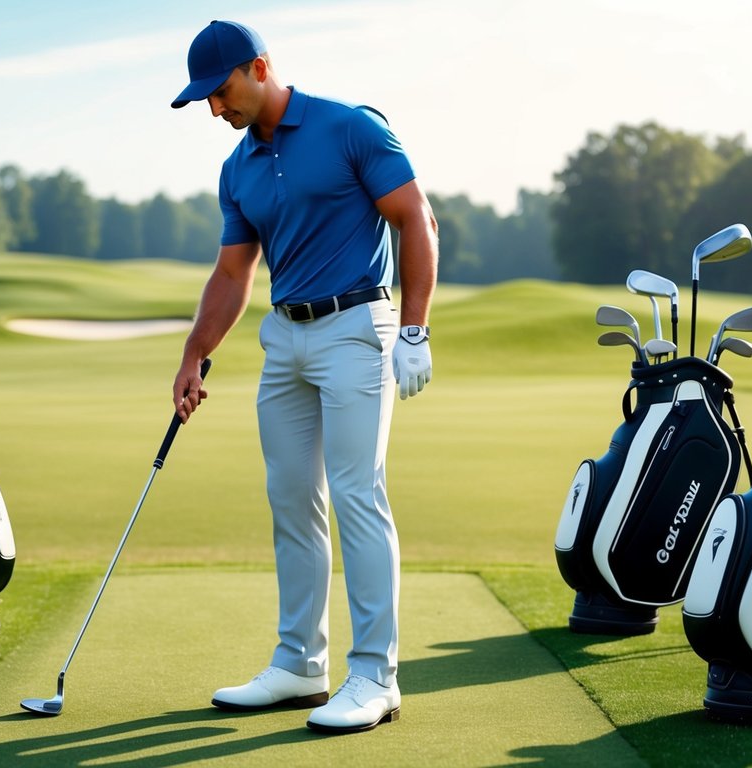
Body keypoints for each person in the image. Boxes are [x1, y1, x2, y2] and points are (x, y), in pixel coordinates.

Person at [170, 19, 437, 735]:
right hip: (283, 337)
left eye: (220, 92)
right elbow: (233, 272)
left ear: (258, 67)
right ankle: (299, 664)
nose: (214, 110)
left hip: (356, 327)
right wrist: (195, 353)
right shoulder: (239, 168)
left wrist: (413, 330)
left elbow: (415, 220)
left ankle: (375, 676)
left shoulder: (349, 128)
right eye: (204, 100)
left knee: (356, 494)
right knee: (291, 498)